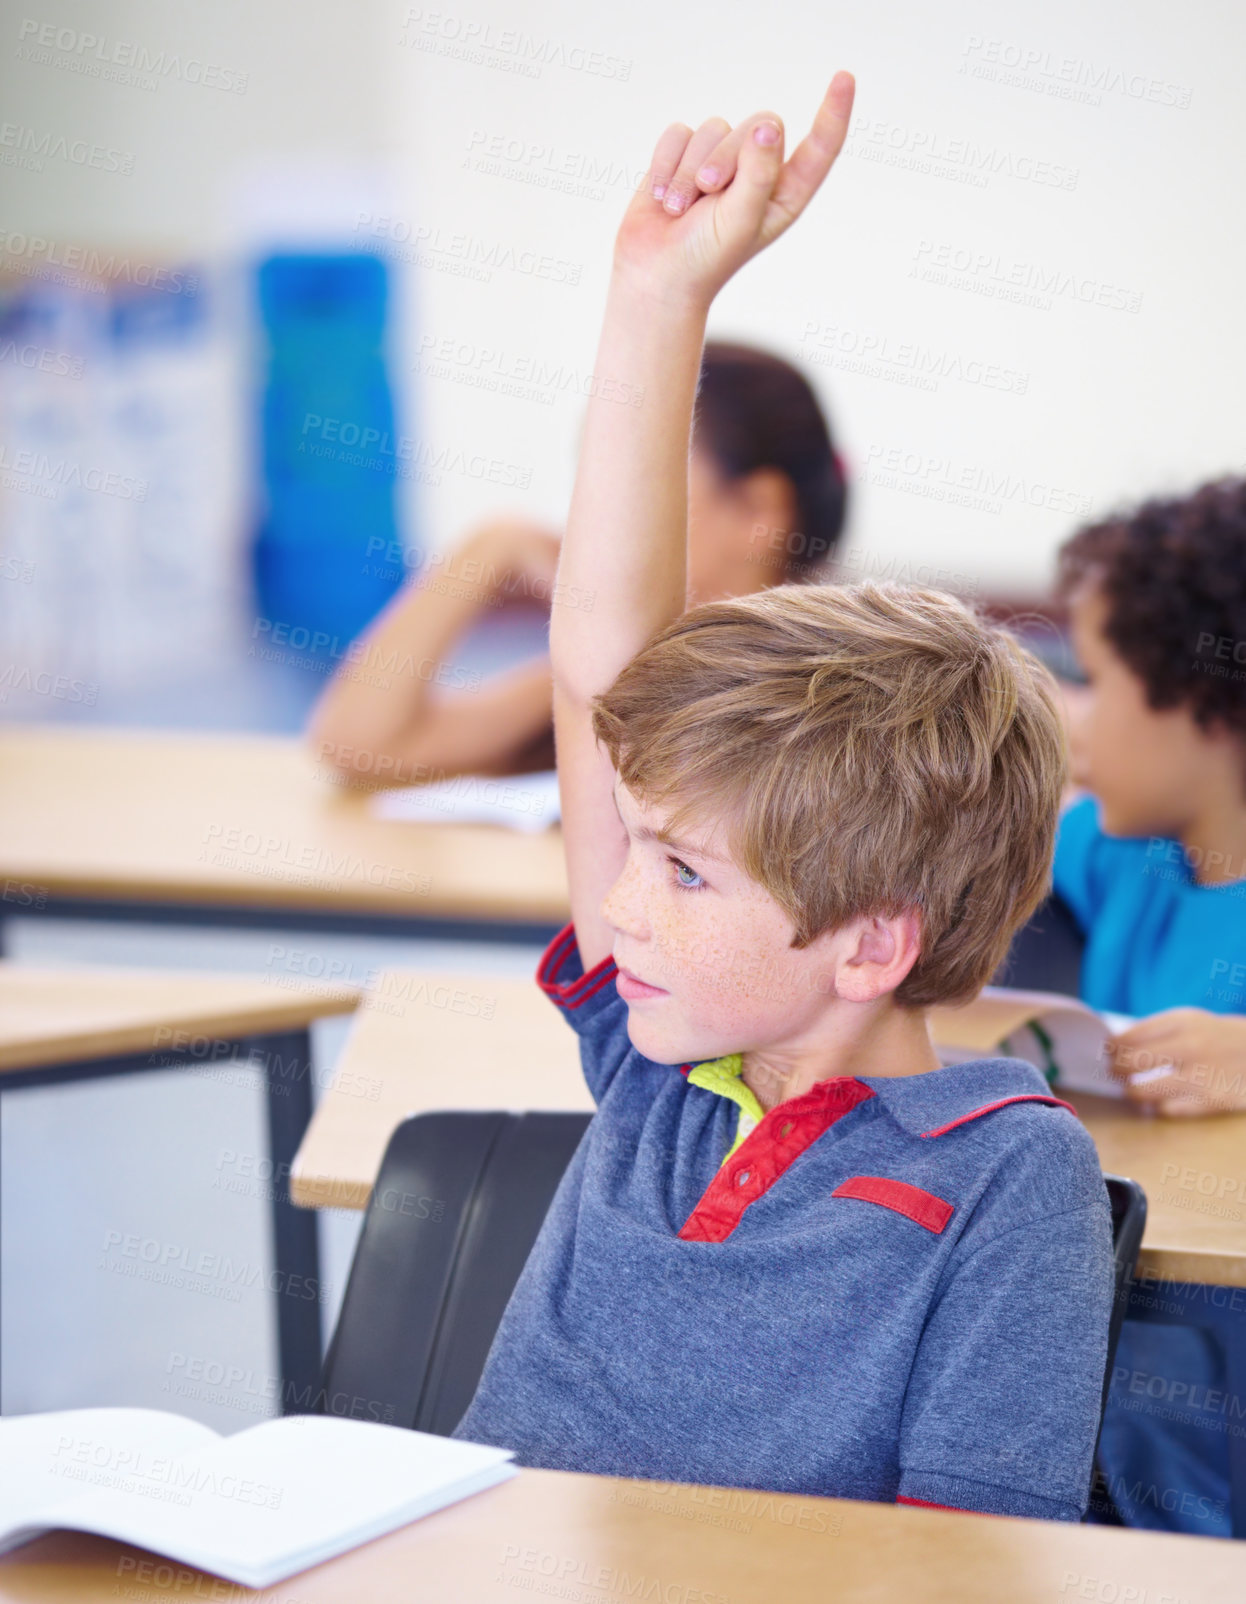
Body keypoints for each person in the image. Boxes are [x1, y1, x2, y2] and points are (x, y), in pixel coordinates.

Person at [449, 73, 1115, 1519]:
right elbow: (596, 672)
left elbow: (968, 1557)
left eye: (681, 872)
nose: (617, 898)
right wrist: (653, 298)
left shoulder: (1008, 1179)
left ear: (872, 943)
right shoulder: (661, 1069)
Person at [306, 342, 846, 787]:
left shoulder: (832, 707)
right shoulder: (624, 670)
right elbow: (355, 744)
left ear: (757, 510)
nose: (595, 515)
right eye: (591, 481)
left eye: (636, 480)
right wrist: (496, 544)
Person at [1051, 479, 1246, 1536]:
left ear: (1202, 696)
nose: (1071, 713)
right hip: (1124, 1332)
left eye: (1092, 678)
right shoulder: (1120, 853)